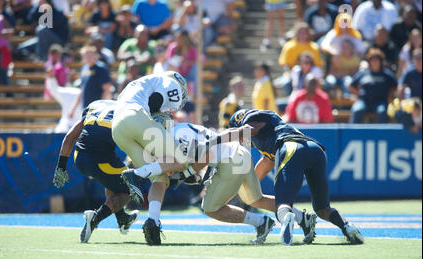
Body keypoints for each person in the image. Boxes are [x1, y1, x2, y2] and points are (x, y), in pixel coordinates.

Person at [226, 109, 364, 245]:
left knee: (282, 205)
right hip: (315, 149)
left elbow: (250, 129)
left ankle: (287, 220)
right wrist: (243, 189)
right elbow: (265, 165)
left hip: (291, 147)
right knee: (322, 209)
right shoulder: (268, 135)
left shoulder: (250, 121)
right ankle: (347, 226)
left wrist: (220, 138)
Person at [169, 122, 318, 245]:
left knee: (209, 208)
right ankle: (302, 217)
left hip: (230, 161)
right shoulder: (185, 127)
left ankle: (260, 222)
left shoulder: (176, 136)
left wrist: (184, 174)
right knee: (255, 199)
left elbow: (208, 153)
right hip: (240, 153)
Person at [112, 71, 189, 245]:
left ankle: (153, 222)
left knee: (159, 176)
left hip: (117, 129)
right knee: (182, 160)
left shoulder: (137, 84)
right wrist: (163, 122)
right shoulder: (170, 83)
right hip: (136, 117)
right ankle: (137, 174)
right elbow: (156, 106)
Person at [53, 100, 139, 243]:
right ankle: (95, 218)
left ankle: (122, 218)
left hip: (79, 158)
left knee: (113, 177)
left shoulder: (95, 105)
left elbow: (69, 137)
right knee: (131, 186)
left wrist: (61, 167)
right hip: (100, 159)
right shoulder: (127, 112)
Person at [349, 48, 398, 123]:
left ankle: (382, 134)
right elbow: (351, 86)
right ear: (369, 61)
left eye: (377, 59)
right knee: (357, 110)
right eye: (372, 60)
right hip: (364, 101)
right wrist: (359, 93)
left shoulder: (386, 74)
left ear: (381, 61)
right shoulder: (363, 73)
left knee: (382, 111)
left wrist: (389, 95)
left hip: (380, 101)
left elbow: (396, 86)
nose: (374, 62)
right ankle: (353, 134)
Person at [69, 46, 112, 119]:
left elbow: (107, 89)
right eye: (86, 55)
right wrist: (73, 109)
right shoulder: (84, 68)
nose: (88, 57)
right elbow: (81, 90)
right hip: (86, 107)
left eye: (90, 54)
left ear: (95, 55)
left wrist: (101, 107)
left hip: (97, 108)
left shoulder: (101, 68)